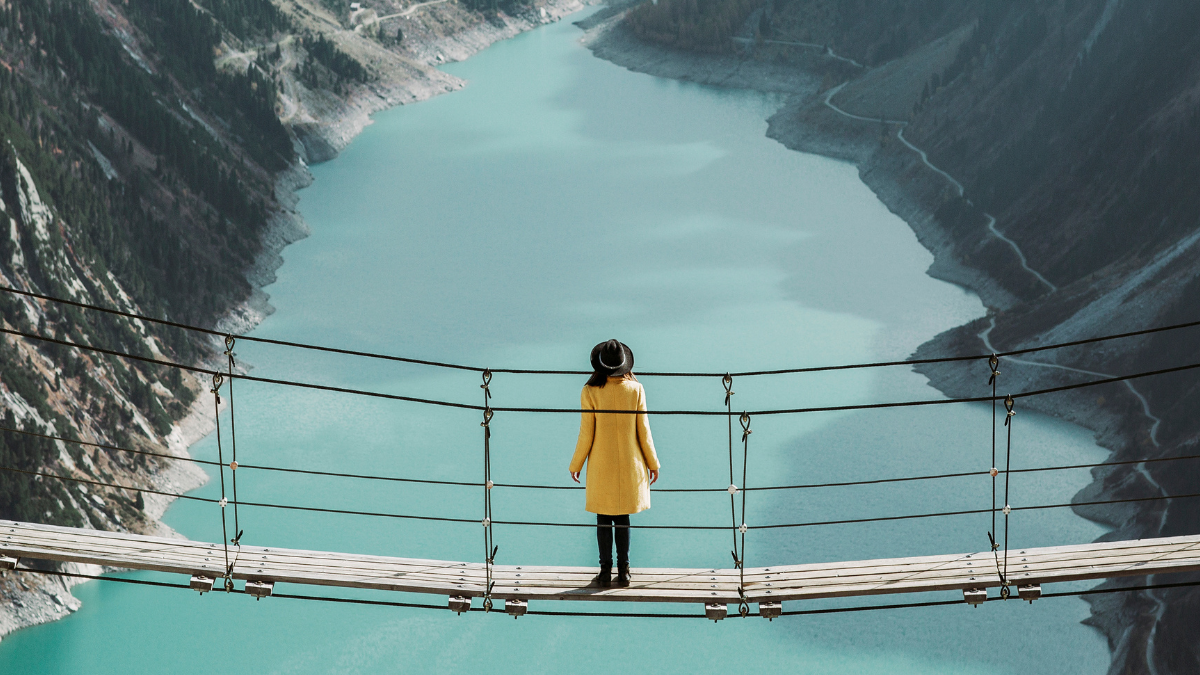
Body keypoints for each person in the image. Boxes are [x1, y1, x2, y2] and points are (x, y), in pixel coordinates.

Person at [568, 339, 661, 588]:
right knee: (622, 517)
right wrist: (653, 463)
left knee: (603, 518)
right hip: (631, 465)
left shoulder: (589, 392)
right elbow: (644, 431)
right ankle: (625, 571)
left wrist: (575, 465)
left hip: (601, 466)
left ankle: (605, 571)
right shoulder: (636, 389)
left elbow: (586, 434)